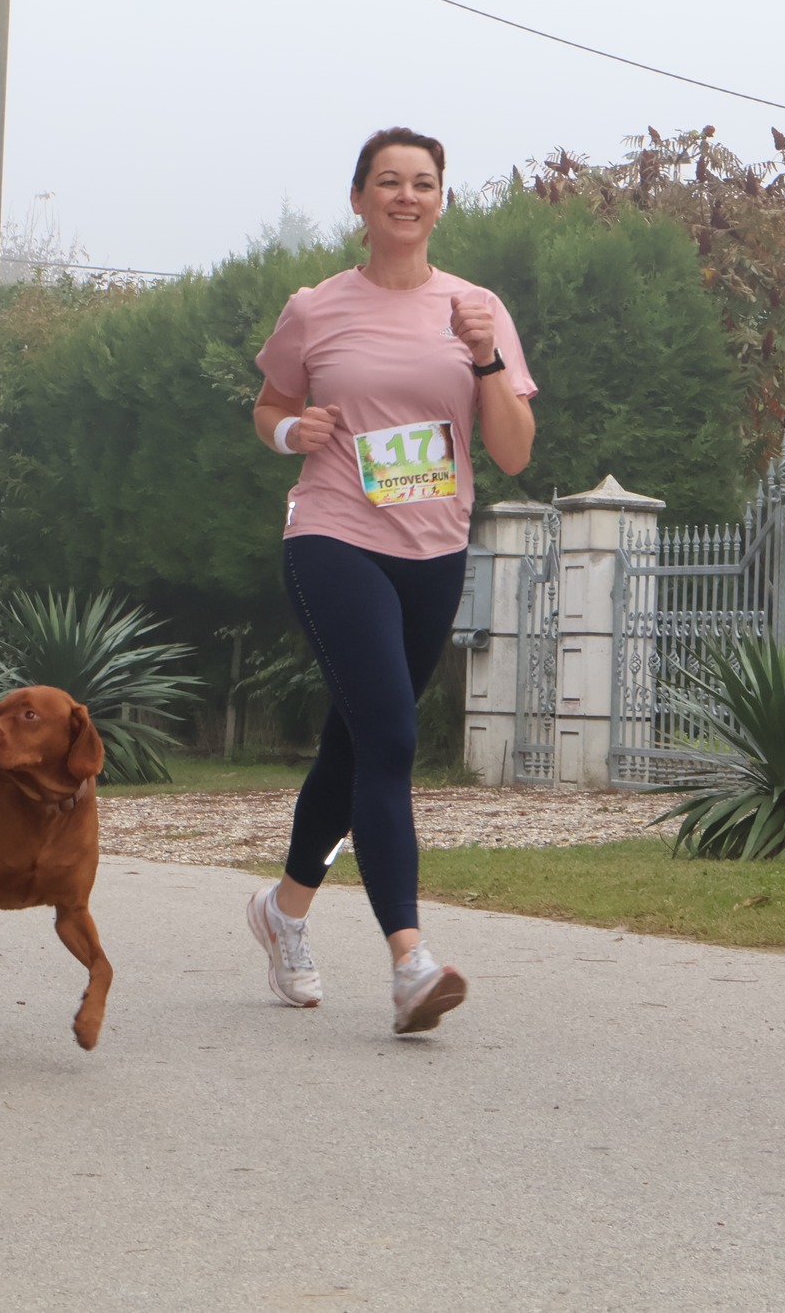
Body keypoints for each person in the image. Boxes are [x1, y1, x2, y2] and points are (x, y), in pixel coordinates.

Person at [246, 127, 537, 1034]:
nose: (405, 196)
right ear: (360, 200)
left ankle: (283, 913)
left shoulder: (477, 308)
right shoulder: (316, 308)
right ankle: (410, 959)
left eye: (422, 183)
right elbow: (270, 406)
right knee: (396, 739)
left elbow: (514, 454)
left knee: (357, 743)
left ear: (440, 199)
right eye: (388, 183)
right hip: (334, 534)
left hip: (434, 550)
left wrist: (485, 357)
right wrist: (294, 435)